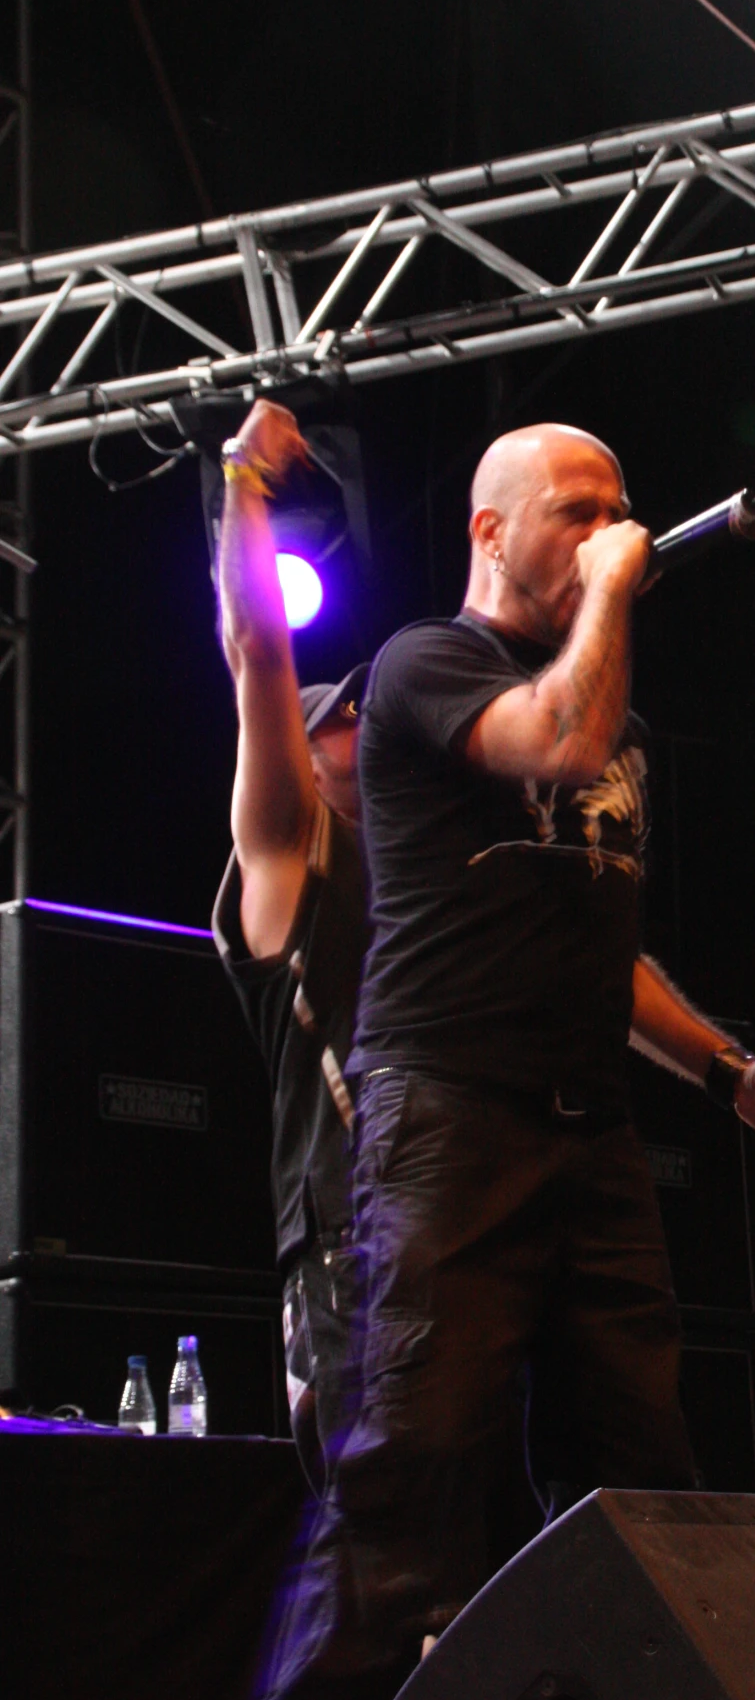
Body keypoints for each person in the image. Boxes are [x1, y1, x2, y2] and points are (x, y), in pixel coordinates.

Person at [162, 421, 755, 1700]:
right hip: (435, 1129)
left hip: (581, 1123)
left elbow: (607, 939)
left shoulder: (610, 728)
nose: (614, 528)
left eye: (620, 506)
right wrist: (240, 490)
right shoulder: (413, 676)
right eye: (577, 510)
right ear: (489, 529)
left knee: (637, 1479)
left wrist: (728, 1071)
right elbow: (266, 658)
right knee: (408, 1473)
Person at [209, 396, 368, 1494]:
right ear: (302, 756)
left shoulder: (423, 861)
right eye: (344, 716)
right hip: (346, 1252)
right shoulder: (287, 848)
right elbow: (259, 647)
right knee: (374, 1559)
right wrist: (246, 486)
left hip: (451, 1231)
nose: (369, 723)